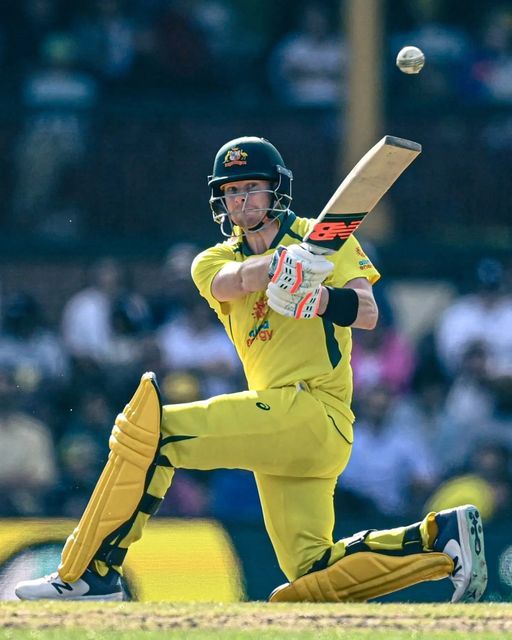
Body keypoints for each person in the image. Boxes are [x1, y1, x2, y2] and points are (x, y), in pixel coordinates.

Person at [15, 136, 487, 603]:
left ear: (275, 191)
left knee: (153, 434)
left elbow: (367, 313)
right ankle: (441, 538)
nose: (240, 200)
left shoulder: (324, 240)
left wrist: (317, 297)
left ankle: (88, 574)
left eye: (250, 188)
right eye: (230, 191)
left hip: (314, 410)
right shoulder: (214, 259)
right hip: (281, 424)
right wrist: (280, 266)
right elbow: (231, 283)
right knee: (311, 573)